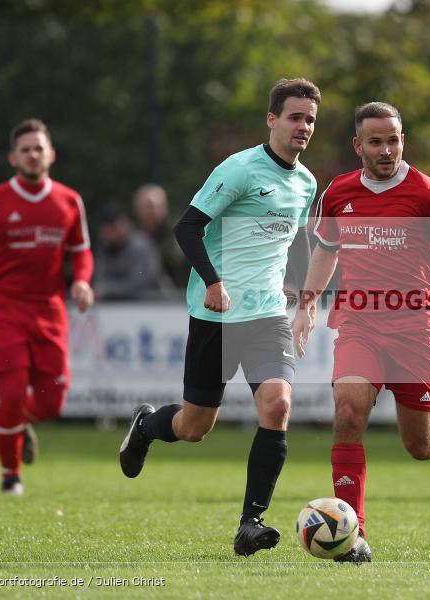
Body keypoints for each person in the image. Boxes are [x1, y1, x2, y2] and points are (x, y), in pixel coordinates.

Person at [118, 78, 320, 557]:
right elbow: (187, 227)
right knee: (195, 427)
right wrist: (213, 281)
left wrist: (302, 296)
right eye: (294, 116)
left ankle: (251, 523)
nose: (303, 127)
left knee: (278, 406)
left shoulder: (307, 183)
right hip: (216, 313)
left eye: (310, 119)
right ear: (271, 119)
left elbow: (296, 241)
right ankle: (147, 426)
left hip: (268, 315)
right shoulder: (239, 168)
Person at [291, 101, 430, 563]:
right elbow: (325, 250)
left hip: (415, 329)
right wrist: (306, 304)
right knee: (348, 413)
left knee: (421, 446)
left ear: (404, 140)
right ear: (358, 145)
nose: (386, 149)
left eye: (393, 140)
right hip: (358, 324)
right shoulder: (338, 193)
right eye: (375, 142)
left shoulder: (428, 193)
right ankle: (352, 536)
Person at [0, 118, 95, 495]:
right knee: (10, 394)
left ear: (51, 154)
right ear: (13, 157)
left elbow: (81, 251)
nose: (32, 155)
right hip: (2, 311)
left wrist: (81, 280)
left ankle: (17, 424)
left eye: (38, 148)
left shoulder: (69, 200)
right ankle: (11, 476)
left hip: (49, 312)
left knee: (51, 403)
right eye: (25, 149)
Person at [94, 203, 175, 300]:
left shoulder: (141, 245)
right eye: (106, 227)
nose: (110, 231)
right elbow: (98, 281)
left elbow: (139, 283)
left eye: (114, 226)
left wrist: (107, 290)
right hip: (122, 307)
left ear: (124, 223)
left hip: (156, 304)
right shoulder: (103, 247)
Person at [132, 183, 188, 287]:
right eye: (147, 206)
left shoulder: (177, 231)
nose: (151, 211)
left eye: (154, 206)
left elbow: (176, 259)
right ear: (137, 209)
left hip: (175, 294)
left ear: (164, 207)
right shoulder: (130, 235)